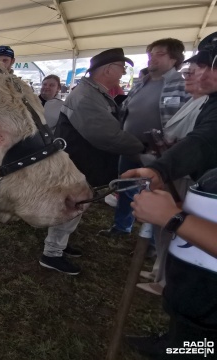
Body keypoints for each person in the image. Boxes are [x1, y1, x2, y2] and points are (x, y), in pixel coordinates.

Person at [122, 31, 217, 359]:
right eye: (200, 65)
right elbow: (205, 140)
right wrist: (161, 170)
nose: (201, 75)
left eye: (212, 66)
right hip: (201, 268)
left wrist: (174, 218)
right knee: (194, 306)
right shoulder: (213, 105)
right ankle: (175, 341)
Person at [38, 48, 144, 275]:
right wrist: (142, 147)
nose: (123, 72)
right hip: (78, 162)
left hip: (81, 161)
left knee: (74, 206)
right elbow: (105, 135)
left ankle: (58, 246)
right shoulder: (86, 96)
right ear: (107, 69)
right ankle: (51, 253)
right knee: (70, 206)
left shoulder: (92, 92)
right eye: (120, 67)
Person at [100, 38, 190, 238]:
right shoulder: (142, 82)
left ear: (175, 58)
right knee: (125, 187)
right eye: (150, 54)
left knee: (158, 193)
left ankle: (152, 241)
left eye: (160, 54)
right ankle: (122, 227)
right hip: (130, 146)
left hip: (159, 152)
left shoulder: (182, 86)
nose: (152, 58)